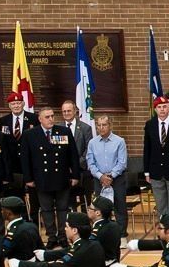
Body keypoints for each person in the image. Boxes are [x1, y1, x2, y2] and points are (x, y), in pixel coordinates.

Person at [22, 105, 79, 247]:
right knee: (46, 210)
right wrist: (28, 178)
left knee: (62, 209)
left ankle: (63, 237)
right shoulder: (30, 134)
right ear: (40, 119)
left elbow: (73, 155)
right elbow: (25, 158)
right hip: (42, 179)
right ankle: (52, 237)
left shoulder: (64, 131)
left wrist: (75, 175)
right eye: (47, 117)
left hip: (62, 177)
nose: (51, 119)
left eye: (52, 116)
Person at [85, 114, 128, 207]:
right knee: (100, 210)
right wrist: (101, 177)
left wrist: (110, 176)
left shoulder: (120, 141)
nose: (101, 128)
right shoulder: (92, 143)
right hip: (99, 181)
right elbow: (90, 164)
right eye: (99, 125)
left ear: (110, 126)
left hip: (117, 180)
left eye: (104, 125)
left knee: (120, 209)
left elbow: (122, 163)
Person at [60, 101, 94, 207]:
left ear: (75, 111)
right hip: (64, 171)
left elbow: (88, 150)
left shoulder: (85, 128)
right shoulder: (58, 128)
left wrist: (74, 166)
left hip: (81, 170)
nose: (66, 113)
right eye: (64, 111)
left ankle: (85, 215)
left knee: (85, 201)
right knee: (66, 201)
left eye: (69, 111)